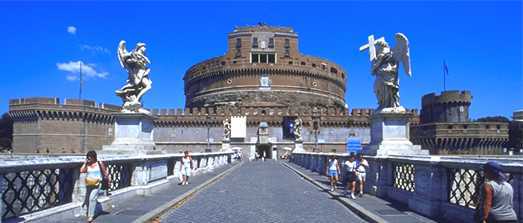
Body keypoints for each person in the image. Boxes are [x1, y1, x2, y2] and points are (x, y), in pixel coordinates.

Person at [80, 150, 109, 223]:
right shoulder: (88, 164)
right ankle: (89, 213)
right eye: (88, 158)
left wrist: (108, 180)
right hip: (89, 184)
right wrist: (85, 163)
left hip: (97, 184)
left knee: (92, 199)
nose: (89, 159)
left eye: (90, 158)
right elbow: (81, 170)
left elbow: (105, 172)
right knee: (88, 199)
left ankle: (90, 216)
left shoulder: (99, 163)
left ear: (94, 157)